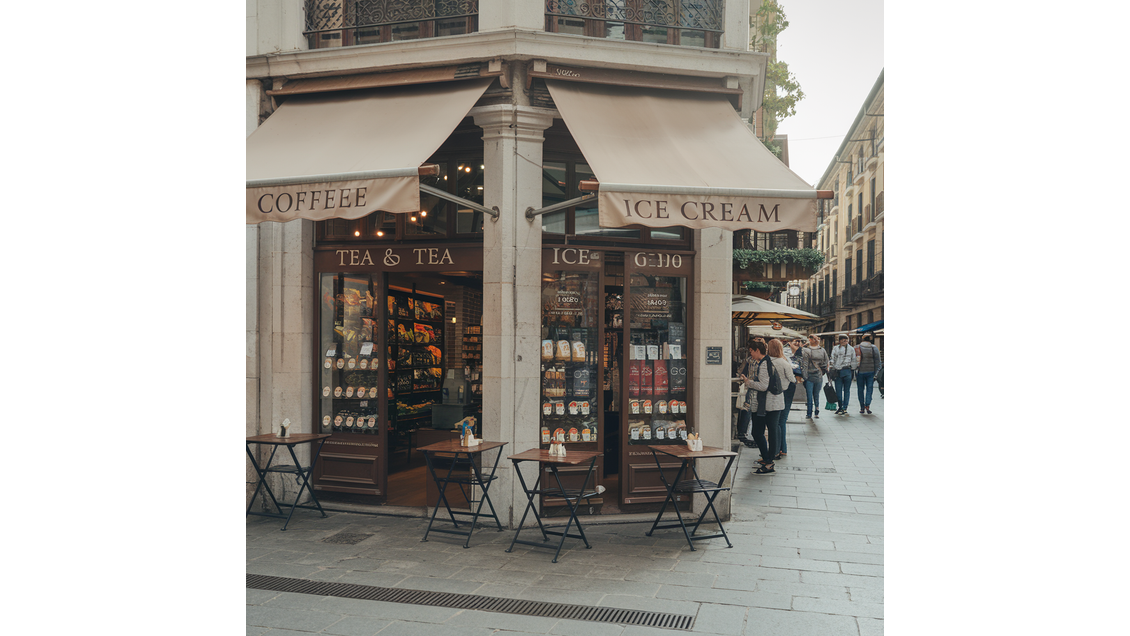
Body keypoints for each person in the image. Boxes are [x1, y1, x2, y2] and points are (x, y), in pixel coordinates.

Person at [739, 341, 786, 474]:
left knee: (763, 431)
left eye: (751, 351)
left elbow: (763, 386)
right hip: (770, 403)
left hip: (769, 404)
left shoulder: (764, 364)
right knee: (767, 431)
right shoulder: (767, 361)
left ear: (757, 350)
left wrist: (748, 382)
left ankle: (769, 461)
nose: (751, 355)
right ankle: (767, 458)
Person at [768, 339, 796, 460]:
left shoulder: (767, 362)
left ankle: (776, 449)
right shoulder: (784, 362)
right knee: (782, 420)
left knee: (775, 421)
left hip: (773, 392)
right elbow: (792, 378)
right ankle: (782, 449)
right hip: (787, 391)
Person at [800, 335, 829, 419]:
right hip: (818, 375)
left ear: (811, 340)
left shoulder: (806, 350)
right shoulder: (822, 350)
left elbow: (804, 364)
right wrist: (822, 371)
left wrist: (804, 376)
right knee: (816, 395)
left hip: (809, 375)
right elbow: (826, 362)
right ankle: (816, 411)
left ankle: (809, 413)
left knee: (809, 396)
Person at [830, 335, 857, 415]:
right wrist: (831, 366)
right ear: (840, 341)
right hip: (838, 371)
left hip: (847, 370)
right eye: (843, 340)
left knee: (846, 390)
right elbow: (832, 358)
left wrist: (853, 369)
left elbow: (854, 360)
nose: (844, 341)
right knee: (838, 391)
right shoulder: (836, 348)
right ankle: (840, 406)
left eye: (846, 340)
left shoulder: (851, 349)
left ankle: (844, 407)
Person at [855, 334, 882, 414]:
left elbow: (853, 360)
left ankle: (862, 407)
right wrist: (876, 373)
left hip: (860, 372)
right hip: (871, 372)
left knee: (860, 389)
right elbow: (878, 361)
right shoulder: (874, 348)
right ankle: (867, 404)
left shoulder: (857, 347)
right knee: (869, 389)